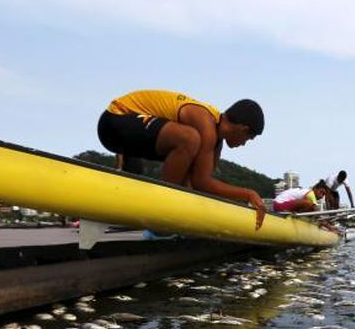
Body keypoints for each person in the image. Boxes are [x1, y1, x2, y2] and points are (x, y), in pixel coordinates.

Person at [97, 89, 267, 229]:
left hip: (133, 136)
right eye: (248, 139)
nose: (244, 144)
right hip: (114, 120)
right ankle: (164, 212)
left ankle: (156, 213)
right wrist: (248, 194)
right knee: (189, 138)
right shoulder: (206, 123)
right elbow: (203, 182)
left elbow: (200, 185)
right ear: (243, 129)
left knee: (192, 159)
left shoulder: (215, 142)